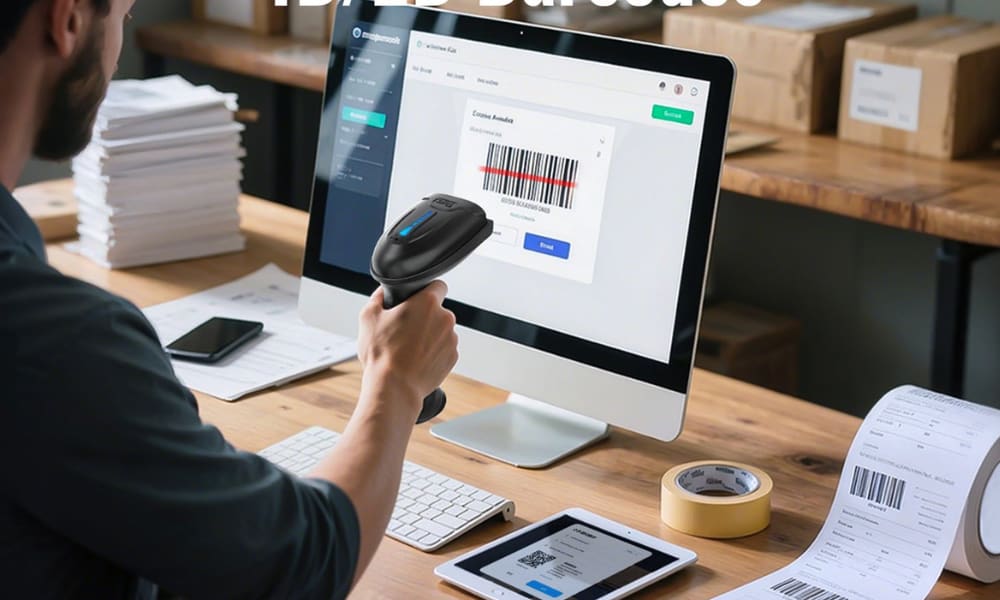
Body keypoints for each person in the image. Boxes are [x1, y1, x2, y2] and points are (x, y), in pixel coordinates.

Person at [0, 0, 460, 597]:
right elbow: (300, 565)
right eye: (123, 14)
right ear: (67, 22)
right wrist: (396, 382)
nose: (120, 43)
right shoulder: (54, 339)